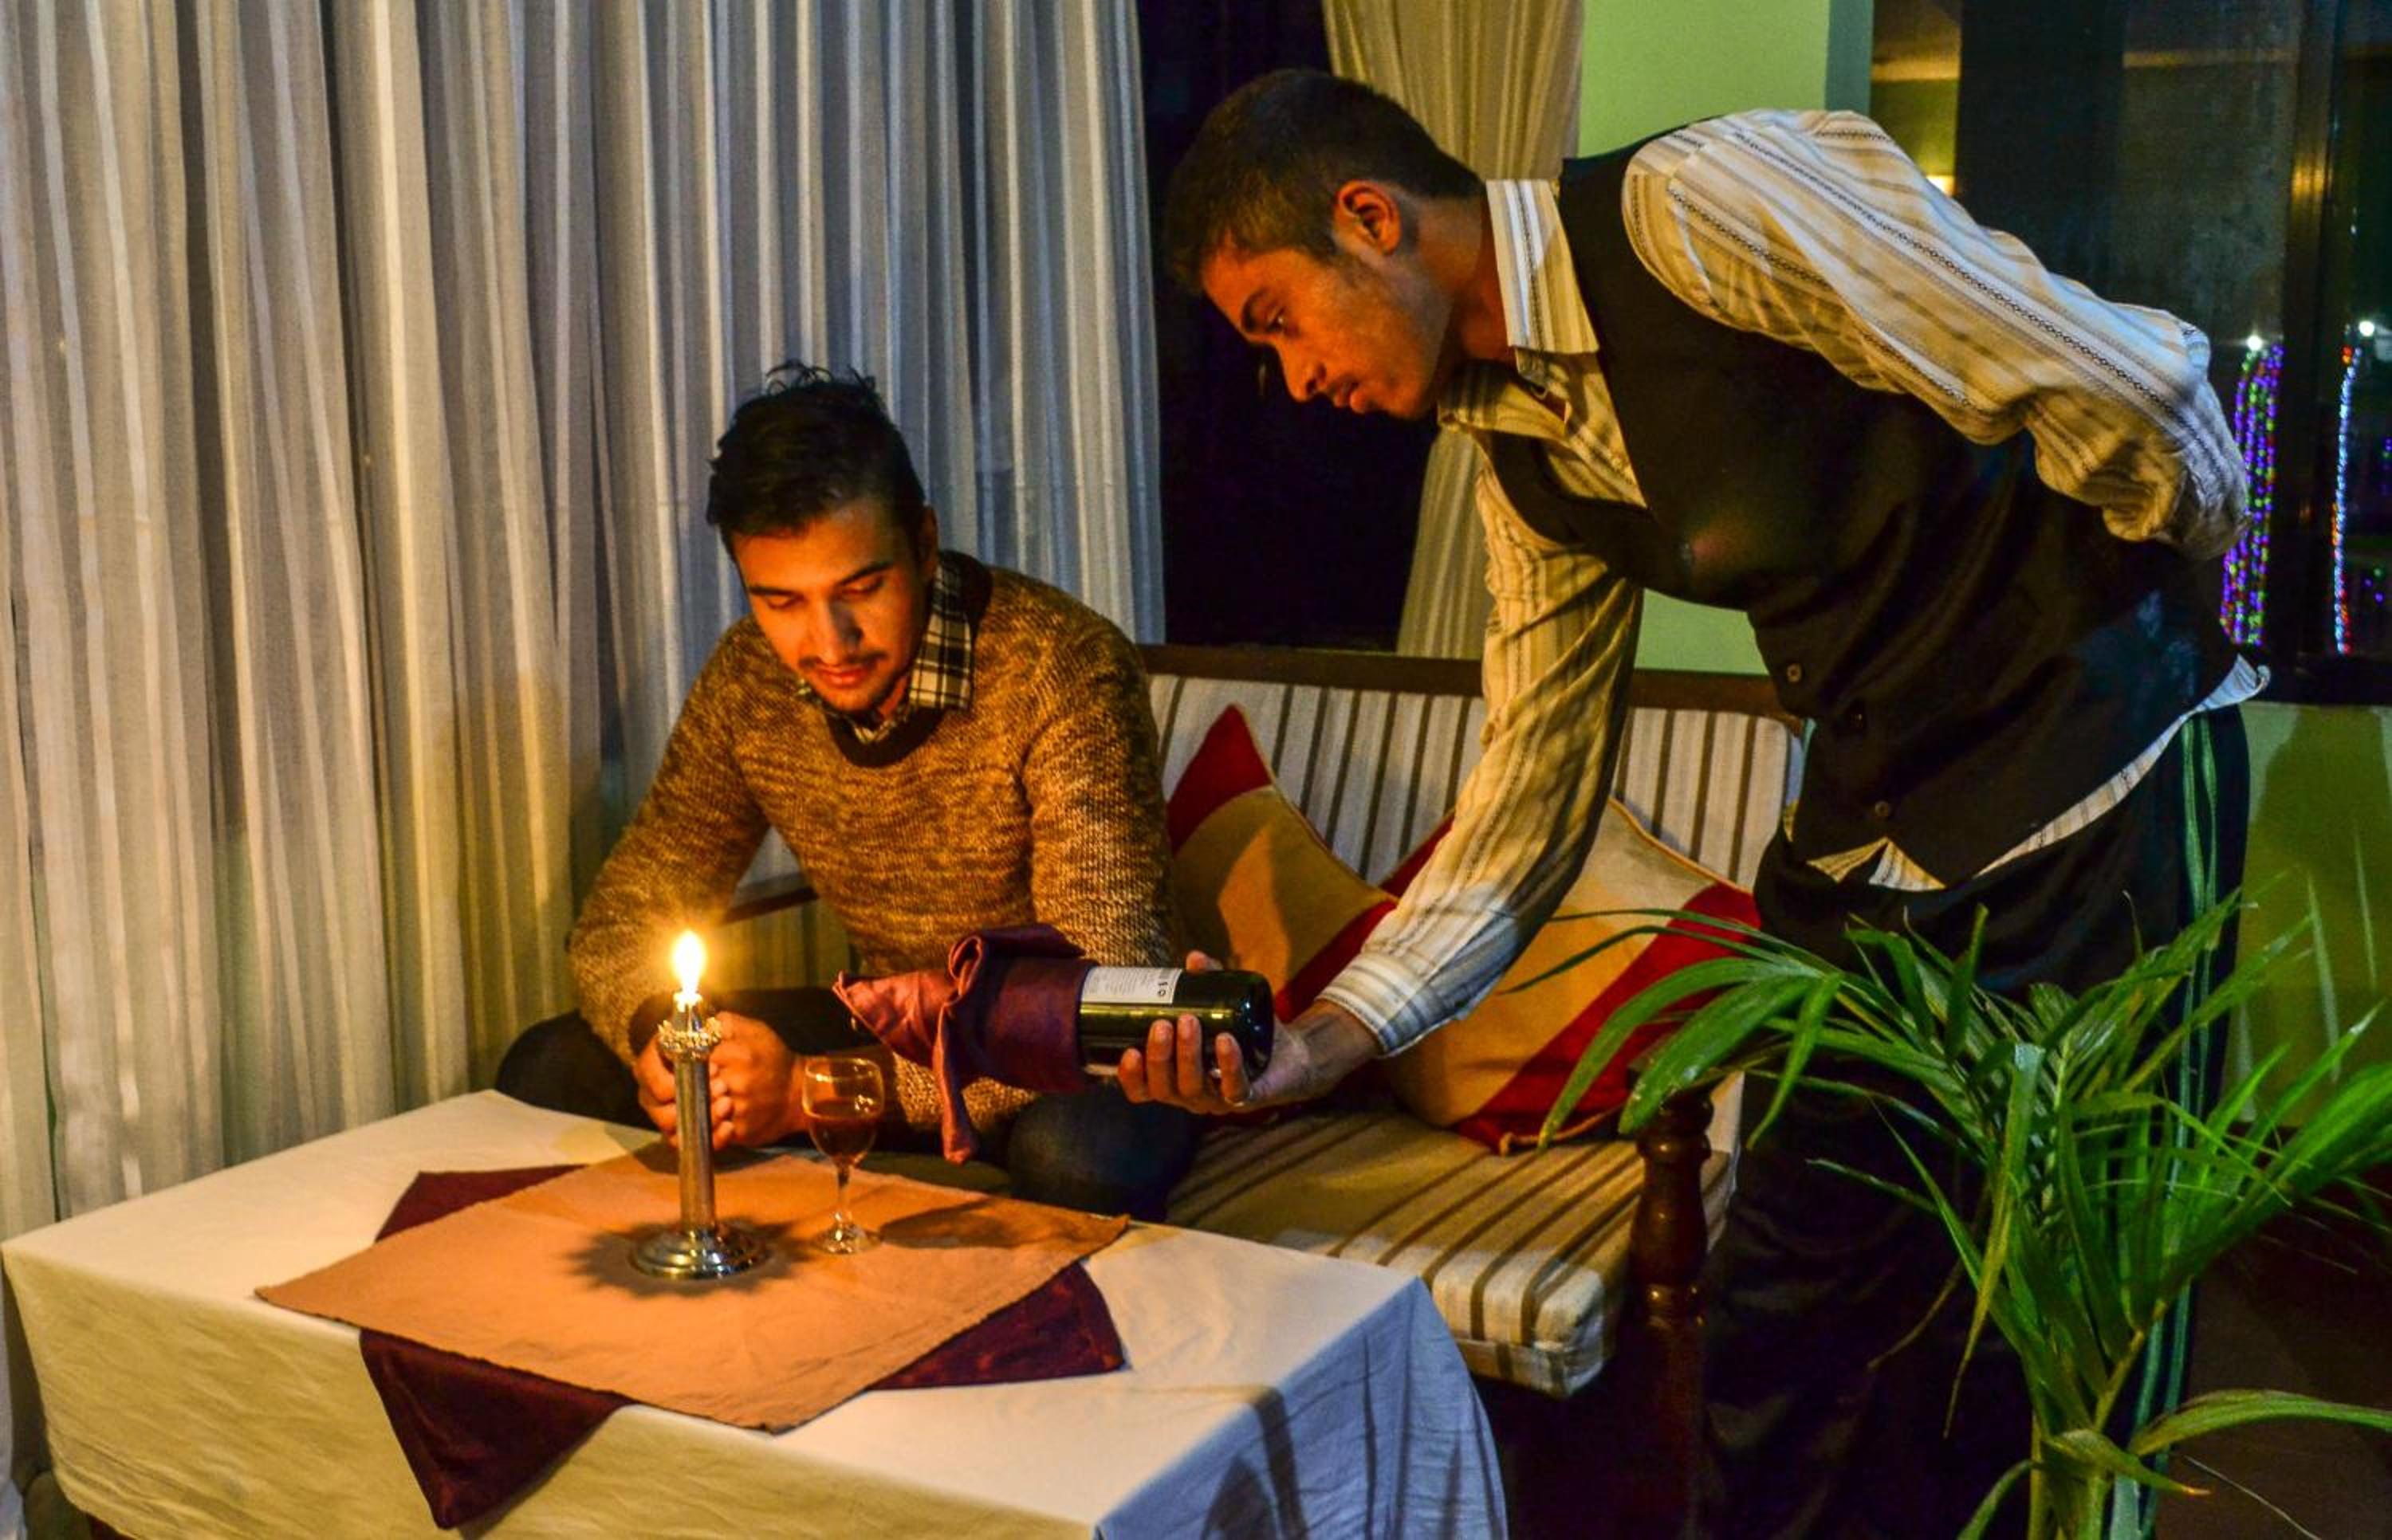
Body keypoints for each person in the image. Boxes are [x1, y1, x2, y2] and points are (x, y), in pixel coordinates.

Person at [1123, 70, 2253, 1535]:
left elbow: (2135, 382)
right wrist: (1330, 1039)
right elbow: (1528, 800)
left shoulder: (1696, 208)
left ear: (1370, 219)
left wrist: (2151, 592)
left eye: (1277, 320)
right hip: (1874, 840)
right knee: (1786, 1321)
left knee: (2067, 1337)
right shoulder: (1520, 459)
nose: (1292, 379)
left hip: (2100, 795)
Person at [498, 365, 1197, 1220]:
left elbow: (1095, 994)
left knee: (1079, 1154)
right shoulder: (748, 681)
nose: (829, 643)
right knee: (549, 1064)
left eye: (861, 590)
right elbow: (625, 917)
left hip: (1080, 1055)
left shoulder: (1062, 666)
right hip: (890, 1028)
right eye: (782, 601)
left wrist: (814, 1089)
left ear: (924, 545)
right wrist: (667, 1043)